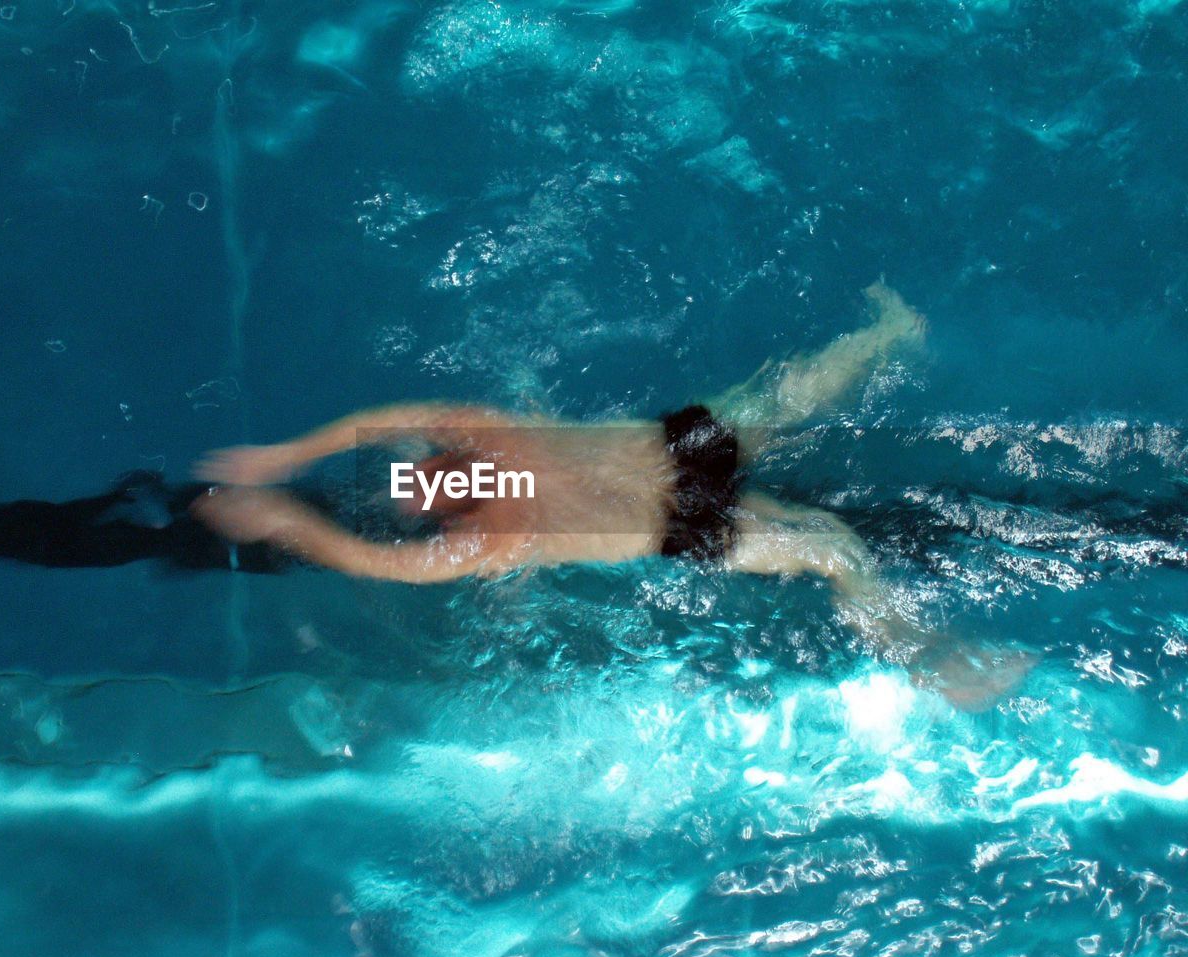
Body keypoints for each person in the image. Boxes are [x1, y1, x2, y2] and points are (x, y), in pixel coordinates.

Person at [190, 281, 1031, 707]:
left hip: (679, 493)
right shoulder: (489, 445)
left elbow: (365, 549)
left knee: (826, 535)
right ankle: (926, 654)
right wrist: (282, 464)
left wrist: (276, 494)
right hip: (683, 475)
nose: (418, 483)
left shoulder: (479, 539)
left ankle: (926, 655)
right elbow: (390, 437)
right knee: (821, 514)